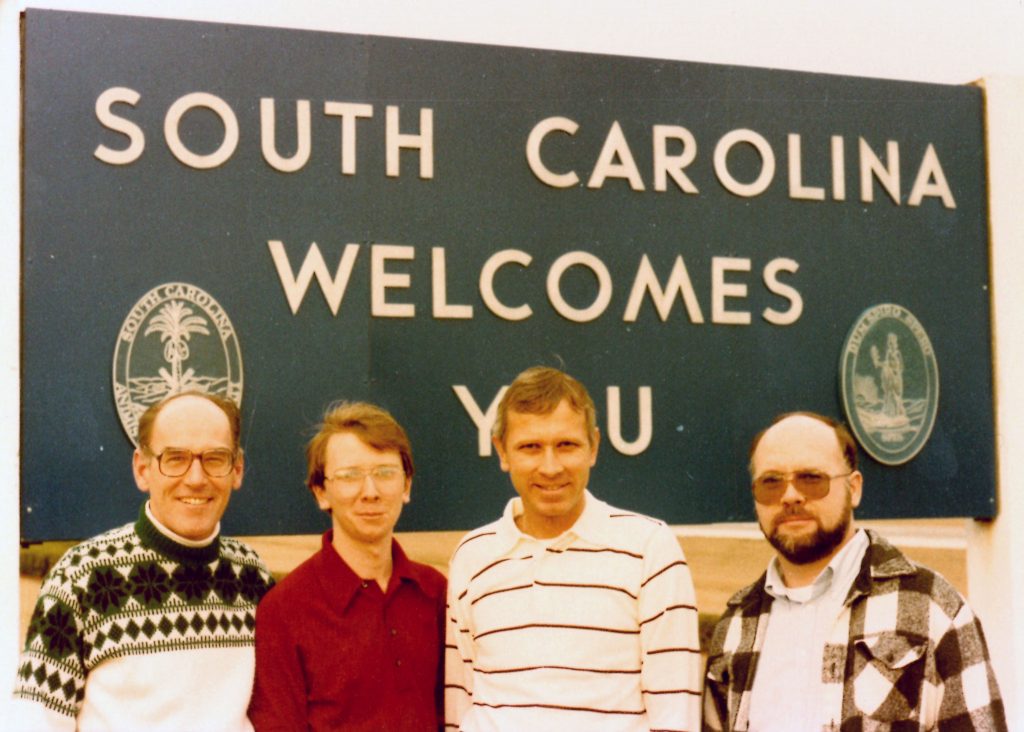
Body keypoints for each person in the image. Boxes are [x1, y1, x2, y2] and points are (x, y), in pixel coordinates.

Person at [703, 411, 1007, 731]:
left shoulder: (931, 607)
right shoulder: (734, 626)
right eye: (771, 482)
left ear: (854, 488)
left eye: (811, 478)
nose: (790, 495)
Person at [445, 366, 701, 731]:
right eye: (530, 447)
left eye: (566, 445)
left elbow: (675, 711)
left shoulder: (649, 549)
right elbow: (461, 706)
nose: (550, 467)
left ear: (594, 447)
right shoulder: (472, 556)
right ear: (502, 452)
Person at [11, 391, 275, 732]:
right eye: (175, 458)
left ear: (237, 470)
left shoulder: (252, 579)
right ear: (142, 468)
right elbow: (35, 722)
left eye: (215, 458)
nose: (196, 478)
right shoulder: (82, 577)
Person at [248, 401, 446, 731]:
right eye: (350, 476)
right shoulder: (284, 610)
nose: (370, 492)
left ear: (407, 486)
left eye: (385, 473)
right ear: (321, 492)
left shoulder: (434, 592)